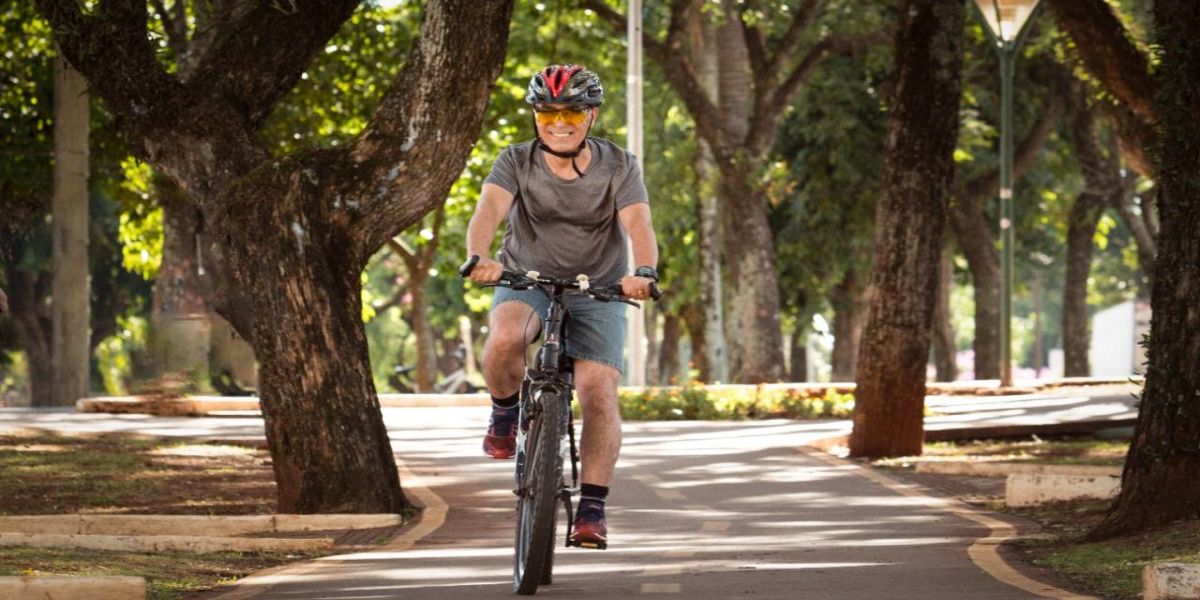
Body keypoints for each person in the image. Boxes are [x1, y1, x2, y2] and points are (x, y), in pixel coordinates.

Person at [464, 64, 659, 549]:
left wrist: (646, 272)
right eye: (547, 111)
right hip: (526, 277)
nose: (559, 121)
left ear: (591, 115)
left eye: (571, 110)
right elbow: (488, 209)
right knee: (506, 338)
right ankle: (504, 411)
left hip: (601, 287)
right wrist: (479, 257)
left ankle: (592, 507)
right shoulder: (515, 160)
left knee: (598, 390)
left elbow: (638, 224)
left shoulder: (619, 164)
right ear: (535, 115)